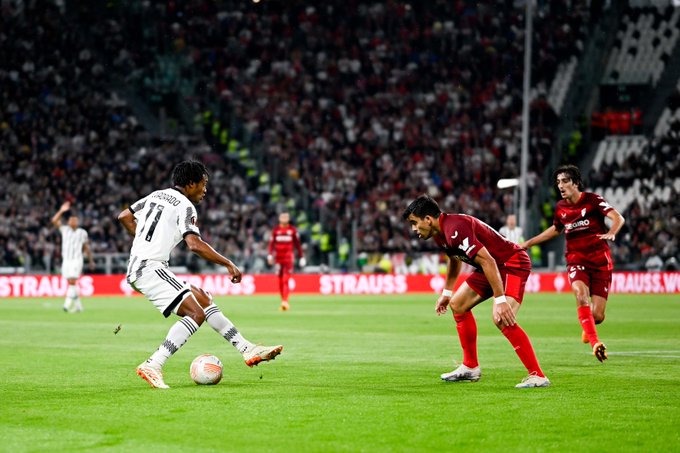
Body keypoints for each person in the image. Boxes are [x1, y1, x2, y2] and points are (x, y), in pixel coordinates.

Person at [117, 160, 283, 389]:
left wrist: (144, 240)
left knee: (203, 300)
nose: (205, 190)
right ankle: (153, 364)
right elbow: (194, 244)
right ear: (191, 183)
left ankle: (247, 349)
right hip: (150, 267)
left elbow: (124, 216)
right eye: (203, 184)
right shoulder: (185, 206)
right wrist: (228, 263)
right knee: (196, 314)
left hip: (144, 266)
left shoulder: (156, 195)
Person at [403, 195, 550, 388]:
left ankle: (538, 375)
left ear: (428, 219)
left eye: (414, 223)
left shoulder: (455, 228)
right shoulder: (441, 232)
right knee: (458, 304)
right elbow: (454, 259)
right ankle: (470, 367)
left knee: (501, 318)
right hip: (491, 266)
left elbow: (488, 260)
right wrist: (447, 293)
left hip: (512, 263)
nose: (414, 229)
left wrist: (500, 300)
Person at [520, 164, 625, 363]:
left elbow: (617, 217)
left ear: (575, 183)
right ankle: (595, 343)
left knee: (598, 315)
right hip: (576, 259)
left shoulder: (593, 200)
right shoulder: (560, 207)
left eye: (565, 181)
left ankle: (588, 326)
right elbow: (555, 229)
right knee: (580, 293)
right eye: (558, 182)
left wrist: (612, 232)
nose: (560, 185)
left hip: (600, 261)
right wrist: (529, 242)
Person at [51, 201, 94, 313]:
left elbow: (86, 247)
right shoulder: (65, 230)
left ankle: (66, 305)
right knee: (71, 283)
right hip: (66, 260)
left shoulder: (82, 232)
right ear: (68, 222)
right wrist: (61, 210)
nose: (73, 222)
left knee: (72, 281)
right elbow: (54, 220)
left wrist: (90, 260)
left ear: (77, 222)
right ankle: (79, 306)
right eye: (71, 220)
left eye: (75, 220)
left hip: (76, 259)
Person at [267, 212, 305, 311]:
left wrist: (301, 257)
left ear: (288, 218)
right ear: (279, 218)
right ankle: (283, 300)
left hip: (288, 259)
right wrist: (270, 255)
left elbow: (297, 244)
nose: (284, 218)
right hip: (278, 258)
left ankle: (285, 301)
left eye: (286, 217)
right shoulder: (276, 230)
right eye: (282, 217)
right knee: (280, 280)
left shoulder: (292, 230)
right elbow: (271, 244)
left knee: (286, 280)